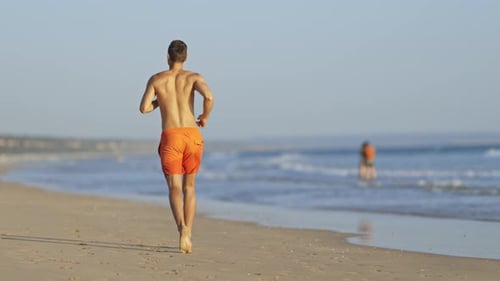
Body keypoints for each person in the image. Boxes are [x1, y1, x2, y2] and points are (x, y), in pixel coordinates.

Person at [139, 40, 214, 254]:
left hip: (171, 137)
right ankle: (188, 230)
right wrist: (205, 116)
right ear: (186, 57)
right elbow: (209, 97)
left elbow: (144, 108)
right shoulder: (194, 78)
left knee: (174, 188)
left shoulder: (157, 79)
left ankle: (181, 228)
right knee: (189, 187)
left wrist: (159, 101)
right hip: (192, 135)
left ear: (167, 57)